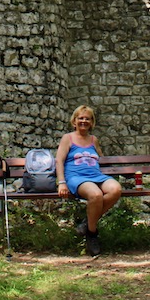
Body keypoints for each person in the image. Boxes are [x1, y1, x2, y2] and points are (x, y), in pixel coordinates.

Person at [56, 104, 122, 256]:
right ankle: (92, 234)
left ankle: (87, 223)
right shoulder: (68, 138)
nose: (83, 121)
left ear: (92, 122)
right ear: (74, 121)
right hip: (76, 178)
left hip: (96, 176)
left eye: (87, 119)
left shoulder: (94, 140)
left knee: (116, 189)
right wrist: (61, 182)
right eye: (80, 118)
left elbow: (100, 158)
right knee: (96, 195)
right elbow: (59, 161)